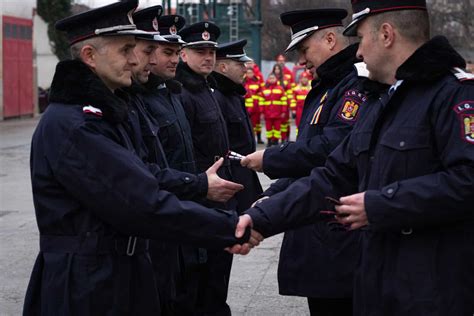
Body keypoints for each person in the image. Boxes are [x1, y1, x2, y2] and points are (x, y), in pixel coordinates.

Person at [233, 1, 474, 315]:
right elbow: (332, 176)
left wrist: (379, 205)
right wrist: (261, 218)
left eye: (360, 38)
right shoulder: (384, 102)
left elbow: (467, 181)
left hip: (431, 293)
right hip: (376, 285)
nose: (357, 53)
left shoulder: (455, 95)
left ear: (386, 34)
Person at [23, 2, 258, 314]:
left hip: (114, 272)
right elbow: (141, 201)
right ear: (90, 56)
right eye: (125, 50)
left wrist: (200, 187)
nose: (135, 60)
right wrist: (230, 227)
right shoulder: (77, 125)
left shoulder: (105, 113)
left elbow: (146, 174)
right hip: (89, 285)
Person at [242, 9, 369, 316]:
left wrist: (270, 158)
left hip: (339, 237)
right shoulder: (328, 86)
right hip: (321, 236)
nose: (301, 61)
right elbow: (308, 156)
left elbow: (330, 149)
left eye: (303, 50)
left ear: (329, 40)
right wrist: (272, 196)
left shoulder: (353, 85)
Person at [175, 21, 236, 316]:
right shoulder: (184, 94)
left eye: (211, 51)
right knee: (204, 286)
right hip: (200, 200)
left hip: (218, 199)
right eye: (200, 51)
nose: (208, 57)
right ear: (183, 54)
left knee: (217, 280)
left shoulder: (207, 88)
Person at [212, 39, 263, 213]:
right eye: (240, 64)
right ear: (223, 67)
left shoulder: (233, 94)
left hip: (243, 175)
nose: (245, 69)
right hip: (231, 178)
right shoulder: (218, 97)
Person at [261, 72, 288, 147]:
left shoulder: (280, 89)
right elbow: (261, 101)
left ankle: (276, 141)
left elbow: (284, 101)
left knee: (277, 128)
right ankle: (269, 141)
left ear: (276, 79)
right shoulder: (264, 89)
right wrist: (262, 112)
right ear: (268, 79)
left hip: (277, 113)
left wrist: (283, 111)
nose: (271, 80)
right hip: (267, 113)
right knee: (268, 129)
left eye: (273, 78)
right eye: (270, 78)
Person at [243, 67, 264, 144]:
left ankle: (258, 138)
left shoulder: (257, 83)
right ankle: (251, 139)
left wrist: (261, 108)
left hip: (256, 107)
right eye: (248, 73)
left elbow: (261, 95)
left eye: (251, 73)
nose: (249, 74)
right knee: (249, 124)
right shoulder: (243, 83)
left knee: (257, 124)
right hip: (246, 107)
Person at [290, 70, 311, 136]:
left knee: (307, 124)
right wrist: (293, 110)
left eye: (305, 78)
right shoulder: (296, 89)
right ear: (300, 79)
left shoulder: (311, 88)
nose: (304, 80)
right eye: (303, 78)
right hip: (299, 109)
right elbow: (293, 100)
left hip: (309, 109)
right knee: (298, 124)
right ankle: (298, 137)